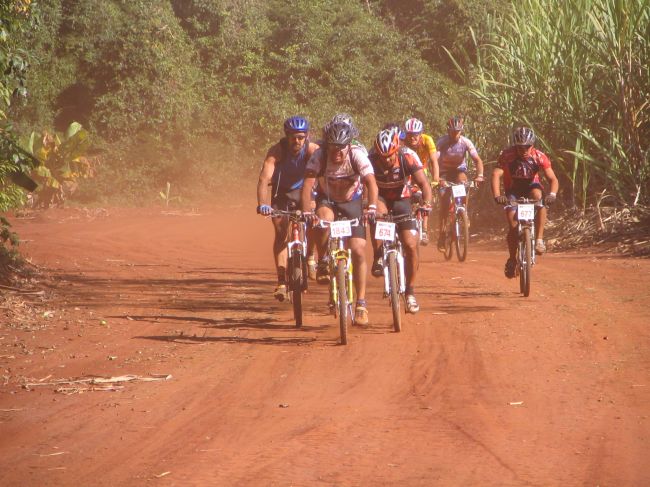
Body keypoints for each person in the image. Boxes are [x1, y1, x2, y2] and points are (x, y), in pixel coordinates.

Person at [301, 120, 379, 325]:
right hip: (328, 200)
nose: (337, 152)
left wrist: (371, 207)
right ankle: (324, 258)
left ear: (348, 145)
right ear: (327, 145)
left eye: (341, 147)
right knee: (323, 219)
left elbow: (371, 182)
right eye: (333, 147)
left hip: (352, 201)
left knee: (359, 250)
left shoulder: (356, 154)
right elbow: (308, 184)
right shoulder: (320, 156)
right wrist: (307, 211)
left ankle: (361, 303)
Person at [368, 129, 432, 313]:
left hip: (401, 199)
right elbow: (361, 182)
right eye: (382, 156)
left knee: (411, 245)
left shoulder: (408, 157)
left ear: (397, 150)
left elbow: (425, 184)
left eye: (390, 156)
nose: (386, 160)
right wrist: (367, 206)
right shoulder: (370, 159)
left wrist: (426, 203)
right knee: (378, 215)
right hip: (379, 197)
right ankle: (379, 255)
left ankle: (410, 292)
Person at [256, 116, 320, 300]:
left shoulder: (313, 150)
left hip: (305, 192)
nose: (296, 141)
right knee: (280, 232)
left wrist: (322, 198)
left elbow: (323, 175)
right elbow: (264, 179)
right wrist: (263, 204)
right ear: (287, 135)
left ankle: (310, 258)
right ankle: (281, 281)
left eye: (300, 137)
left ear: (306, 136)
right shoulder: (277, 151)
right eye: (293, 136)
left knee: (314, 221)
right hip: (281, 192)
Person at [492, 126, 559, 278]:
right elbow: (496, 174)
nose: (523, 150)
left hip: (531, 187)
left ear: (532, 145)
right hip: (513, 190)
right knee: (513, 226)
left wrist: (553, 194)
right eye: (520, 147)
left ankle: (539, 240)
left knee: (539, 197)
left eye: (527, 147)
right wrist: (497, 195)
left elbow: (552, 178)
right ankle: (512, 258)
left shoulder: (539, 156)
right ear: (515, 146)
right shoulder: (507, 155)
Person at [434, 116, 485, 251]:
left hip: (458, 171)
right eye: (452, 131)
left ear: (461, 131)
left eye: (458, 131)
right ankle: (442, 234)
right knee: (444, 202)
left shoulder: (466, 142)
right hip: (444, 172)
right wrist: (437, 178)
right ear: (448, 130)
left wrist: (479, 176)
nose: (455, 134)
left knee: (463, 183)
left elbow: (477, 160)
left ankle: (463, 211)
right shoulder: (442, 142)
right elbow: (434, 160)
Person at [402, 117, 438, 245]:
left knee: (425, 195)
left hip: (421, 170)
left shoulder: (428, 140)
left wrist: (435, 180)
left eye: (416, 135)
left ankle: (425, 230)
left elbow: (434, 161)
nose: (413, 138)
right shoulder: (402, 142)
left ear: (420, 133)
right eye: (410, 135)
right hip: (406, 171)